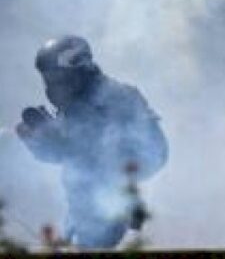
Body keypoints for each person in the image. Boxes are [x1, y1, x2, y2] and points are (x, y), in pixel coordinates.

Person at [15, 35, 168, 249]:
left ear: (76, 71)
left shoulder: (113, 98)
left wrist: (59, 141)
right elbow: (61, 154)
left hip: (107, 207)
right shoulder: (77, 103)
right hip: (83, 206)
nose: (52, 85)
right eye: (48, 78)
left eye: (56, 77)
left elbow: (141, 152)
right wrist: (36, 140)